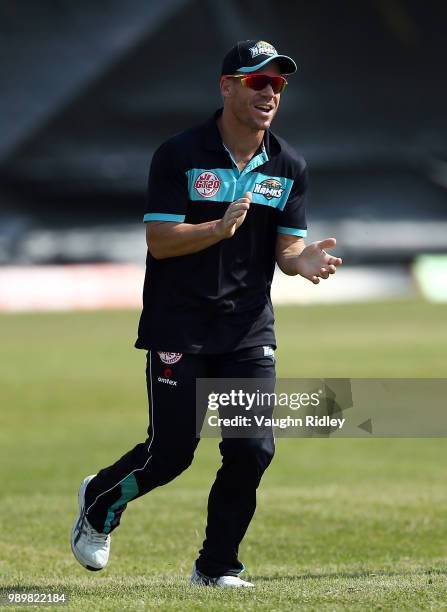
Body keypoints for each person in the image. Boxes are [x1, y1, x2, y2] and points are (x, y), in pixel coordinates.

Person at [71, 39, 342, 588]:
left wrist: (301, 260)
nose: (269, 93)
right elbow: (160, 241)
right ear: (227, 87)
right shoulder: (180, 153)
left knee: (252, 450)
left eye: (278, 85)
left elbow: (286, 250)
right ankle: (99, 500)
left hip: (246, 330)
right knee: (171, 454)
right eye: (256, 82)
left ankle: (216, 567)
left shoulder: (289, 165)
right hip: (180, 325)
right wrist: (216, 229)